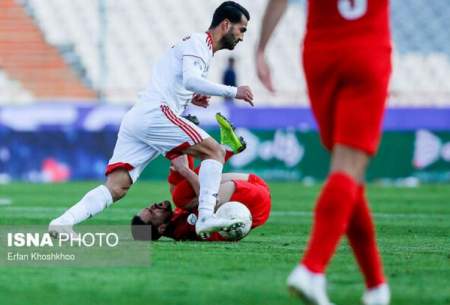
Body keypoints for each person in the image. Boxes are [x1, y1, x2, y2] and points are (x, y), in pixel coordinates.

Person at [49, 1, 254, 239]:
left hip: (140, 117)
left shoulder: (200, 49)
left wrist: (191, 98)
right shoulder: (199, 42)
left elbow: (181, 82)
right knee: (215, 152)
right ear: (226, 24)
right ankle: (206, 217)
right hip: (156, 113)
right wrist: (233, 91)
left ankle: (64, 222)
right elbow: (190, 80)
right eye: (242, 29)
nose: (242, 37)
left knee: (117, 187)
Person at [256, 1, 392, 305]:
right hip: (367, 47)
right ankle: (311, 269)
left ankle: (376, 287)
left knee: (347, 174)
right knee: (347, 168)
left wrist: (261, 49)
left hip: (321, 53)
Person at [130, 172, 271, 242]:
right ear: (161, 228)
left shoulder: (175, 221)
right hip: (254, 204)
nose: (153, 205)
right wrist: (182, 170)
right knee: (181, 195)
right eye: (152, 212)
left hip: (255, 188)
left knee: (179, 190)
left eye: (148, 207)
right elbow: (208, 198)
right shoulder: (184, 228)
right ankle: (225, 150)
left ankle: (185, 151)